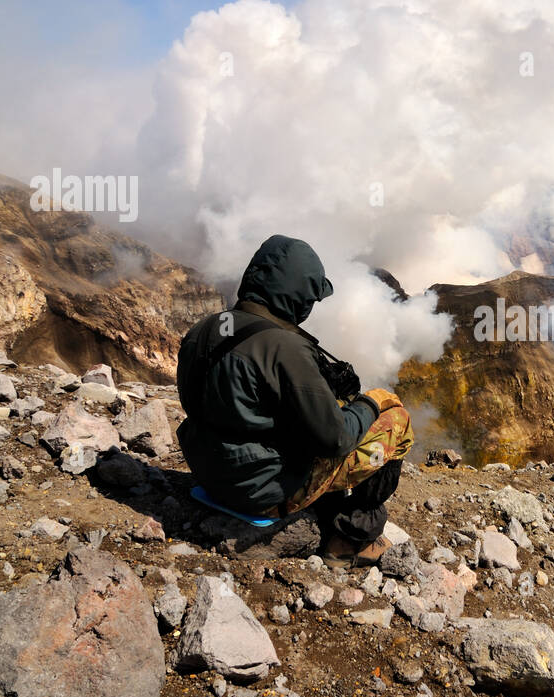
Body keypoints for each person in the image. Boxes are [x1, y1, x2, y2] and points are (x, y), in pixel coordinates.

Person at [176, 234, 413, 567]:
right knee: (395, 415)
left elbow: (240, 403)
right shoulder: (286, 348)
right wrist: (368, 403)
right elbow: (336, 439)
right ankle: (354, 537)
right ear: (297, 293)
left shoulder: (205, 329)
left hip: (208, 471)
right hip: (261, 491)